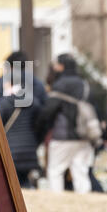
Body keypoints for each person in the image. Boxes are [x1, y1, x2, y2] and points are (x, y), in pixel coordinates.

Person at [35, 54, 95, 193]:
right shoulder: (84, 84)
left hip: (63, 136)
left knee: (55, 171)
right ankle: (86, 203)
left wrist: (40, 126)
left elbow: (49, 110)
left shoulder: (60, 84)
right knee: (80, 172)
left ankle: (57, 203)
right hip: (83, 135)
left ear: (62, 66)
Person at [0, 83, 41, 188]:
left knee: (10, 183)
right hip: (29, 150)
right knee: (24, 180)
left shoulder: (5, 103)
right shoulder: (34, 103)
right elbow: (39, 125)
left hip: (10, 149)